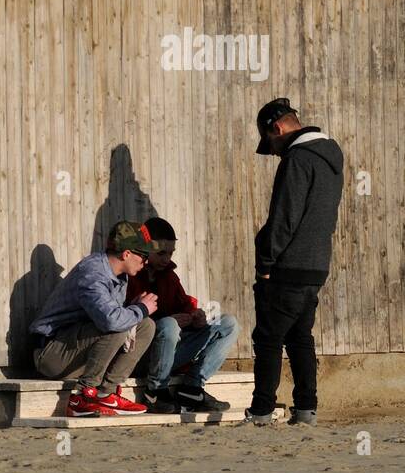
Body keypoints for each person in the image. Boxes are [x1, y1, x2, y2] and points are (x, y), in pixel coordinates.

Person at [246, 98, 344, 426]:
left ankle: (261, 411)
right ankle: (305, 410)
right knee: (300, 336)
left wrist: (265, 262)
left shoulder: (298, 159)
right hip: (316, 264)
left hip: (288, 265)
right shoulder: (330, 155)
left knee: (269, 338)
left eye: (271, 144)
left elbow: (285, 218)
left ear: (278, 128)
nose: (273, 152)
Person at [29, 220, 159, 418]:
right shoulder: (93, 274)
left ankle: (106, 392)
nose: (146, 262)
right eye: (144, 256)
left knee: (146, 325)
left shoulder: (119, 274)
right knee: (118, 325)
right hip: (51, 355)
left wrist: (134, 310)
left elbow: (112, 316)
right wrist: (140, 308)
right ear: (126, 254)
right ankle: (83, 397)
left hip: (76, 352)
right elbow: (110, 321)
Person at [126, 216, 240, 414]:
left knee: (228, 323)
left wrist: (195, 317)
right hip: (139, 356)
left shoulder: (168, 275)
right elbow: (122, 322)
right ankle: (155, 390)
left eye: (170, 253)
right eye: (161, 253)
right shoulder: (129, 274)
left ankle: (192, 387)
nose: (167, 259)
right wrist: (165, 322)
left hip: (169, 351)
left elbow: (185, 305)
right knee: (168, 325)